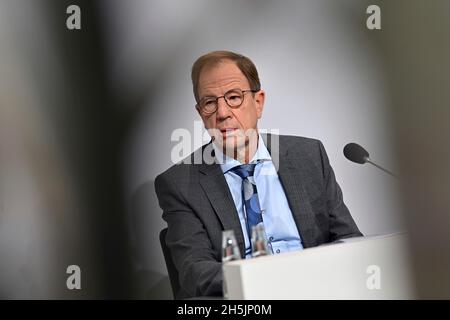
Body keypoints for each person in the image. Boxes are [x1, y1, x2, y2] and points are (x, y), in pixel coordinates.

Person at [154, 50, 362, 299]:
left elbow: (349, 239)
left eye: (233, 97)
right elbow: (196, 273)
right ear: (201, 113)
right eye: (210, 102)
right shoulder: (180, 184)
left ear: (258, 102)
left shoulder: (308, 156)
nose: (222, 113)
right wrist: (270, 284)